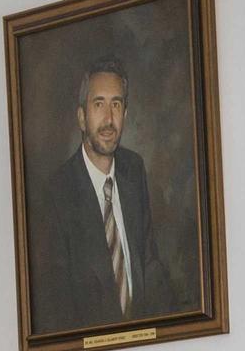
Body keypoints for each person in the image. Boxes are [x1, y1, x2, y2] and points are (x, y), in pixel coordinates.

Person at [30, 55, 173, 334]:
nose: (109, 119)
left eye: (116, 105)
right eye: (99, 105)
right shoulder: (57, 194)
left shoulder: (134, 169)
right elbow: (56, 306)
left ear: (126, 115)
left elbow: (150, 265)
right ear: (82, 117)